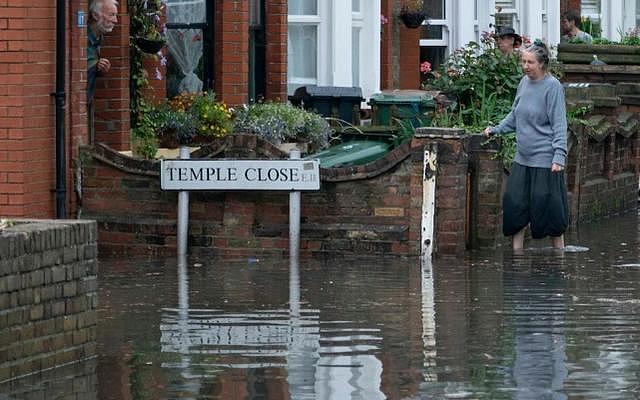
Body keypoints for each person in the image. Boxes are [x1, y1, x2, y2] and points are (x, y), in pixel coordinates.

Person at [483, 40, 569, 251]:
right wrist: (497, 129)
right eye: (523, 61)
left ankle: (559, 259)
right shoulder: (524, 82)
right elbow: (515, 114)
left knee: (549, 210)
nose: (525, 66)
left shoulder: (553, 87)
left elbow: (559, 123)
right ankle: (517, 257)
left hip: (546, 159)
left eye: (530, 62)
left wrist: (559, 155)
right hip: (523, 157)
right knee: (515, 206)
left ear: (542, 64)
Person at [87, 0, 118, 140]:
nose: (115, 20)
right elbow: (76, 69)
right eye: (111, 15)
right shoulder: (83, 38)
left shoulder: (99, 38)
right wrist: (95, 65)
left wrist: (99, 68)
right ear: (95, 15)